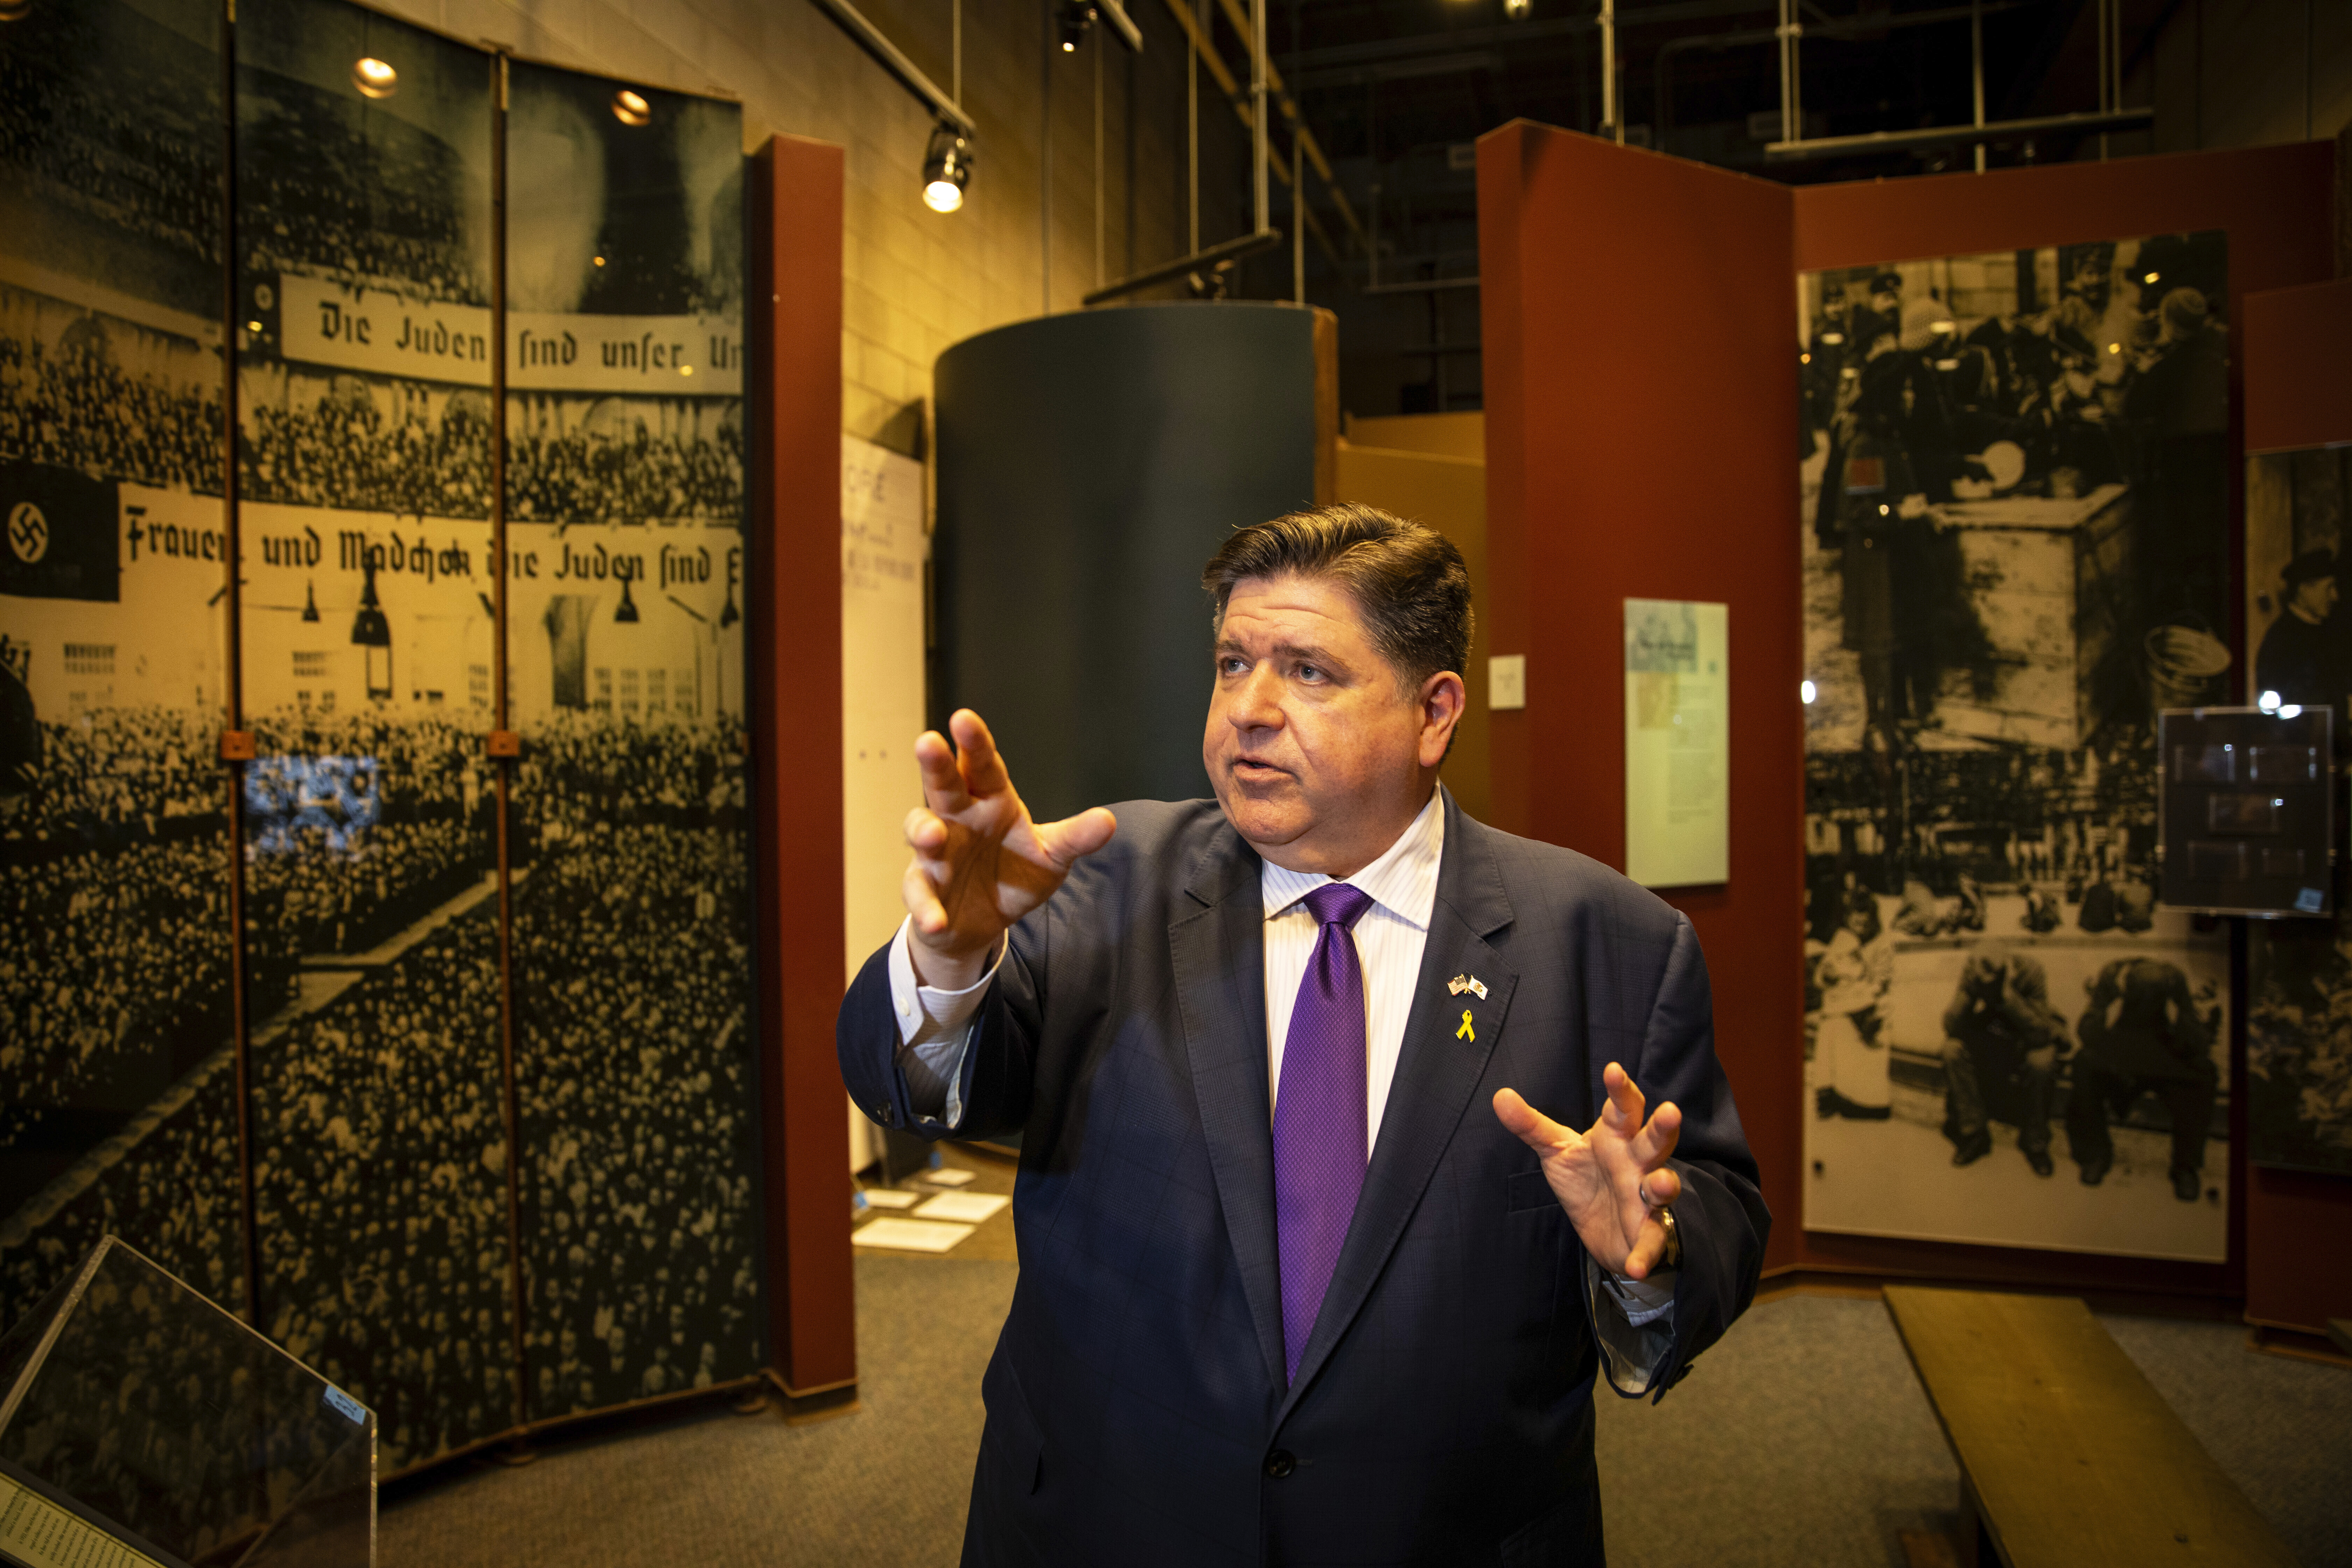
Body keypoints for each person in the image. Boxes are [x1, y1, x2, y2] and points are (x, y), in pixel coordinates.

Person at [839, 505, 1769, 1565]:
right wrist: (951, 958)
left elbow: (1718, 1212)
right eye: (1232, 662)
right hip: (1106, 1520)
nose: (1249, 708)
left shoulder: (1610, 941)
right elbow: (913, 1086)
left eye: (1308, 672)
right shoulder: (1099, 876)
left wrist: (1648, 1258)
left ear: (1433, 711)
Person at [2068, 957, 2217, 1200]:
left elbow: (2198, 1047)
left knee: (2205, 1073)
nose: (2146, 1001)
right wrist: (2101, 1003)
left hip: (2162, 1061)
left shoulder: (2173, 981)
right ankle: (2096, 1154)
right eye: (2140, 995)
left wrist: (2182, 1006)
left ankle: (2186, 1167)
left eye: (2153, 996)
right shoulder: (2115, 977)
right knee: (2084, 1063)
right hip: (2122, 1062)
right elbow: (2089, 1036)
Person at [1939, 950, 2069, 1175]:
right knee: (1952, 1050)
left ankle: (2036, 1142)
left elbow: (2041, 1033)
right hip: (1992, 1031)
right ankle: (1975, 1134)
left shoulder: (2030, 971)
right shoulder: (1974, 970)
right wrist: (1969, 995)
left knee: (2043, 1062)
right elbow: (1951, 1027)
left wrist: (2007, 998)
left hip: (2027, 1033)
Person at [1814, 888, 1894, 1121]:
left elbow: (1880, 984)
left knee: (1833, 1022)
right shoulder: (1843, 938)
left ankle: (1834, 1094)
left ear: (1873, 920)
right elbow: (1822, 977)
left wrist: (1855, 989)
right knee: (1832, 1022)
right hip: (1845, 1006)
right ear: (1849, 918)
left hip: (1871, 1007)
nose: (1859, 924)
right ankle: (1828, 1091)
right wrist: (1828, 974)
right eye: (1855, 919)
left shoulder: (1883, 944)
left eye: (1864, 920)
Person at [2253, 550, 2343, 712]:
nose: (2335, 596)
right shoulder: (2281, 638)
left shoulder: (2334, 632)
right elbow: (2274, 706)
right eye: (2329, 588)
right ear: (2305, 589)